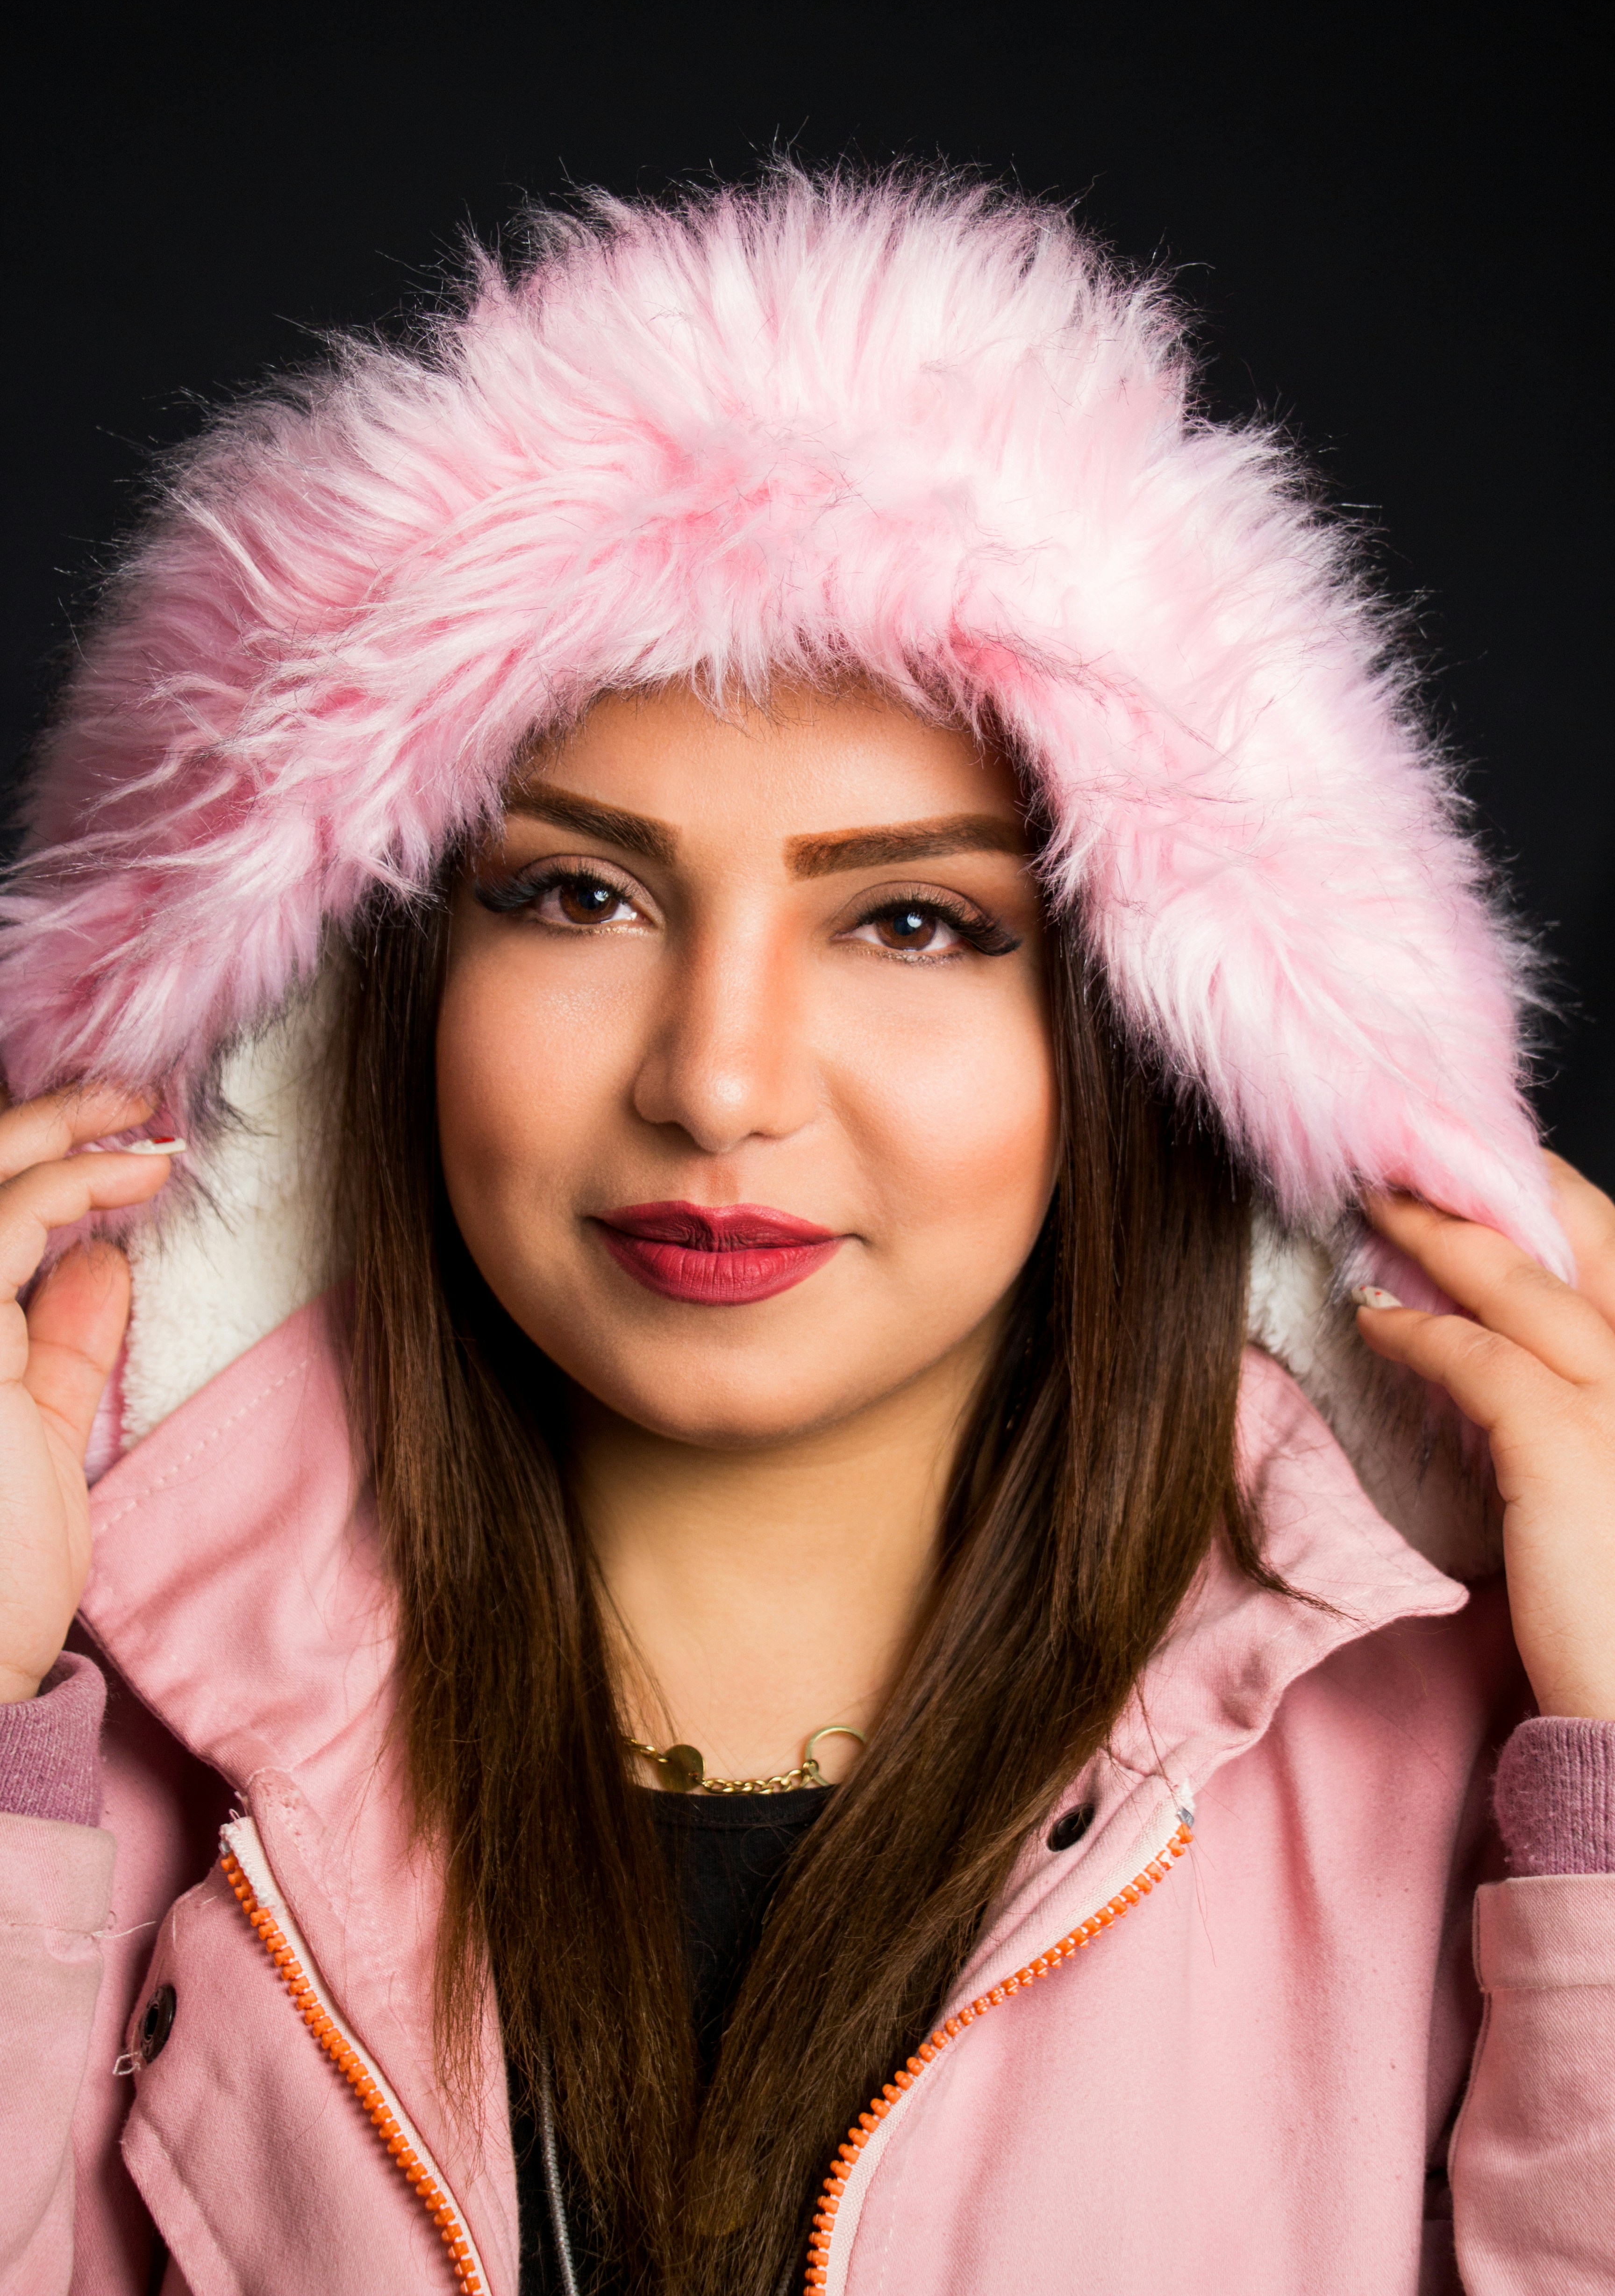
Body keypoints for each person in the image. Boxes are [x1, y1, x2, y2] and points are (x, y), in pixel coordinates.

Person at [0, 170, 1610, 2296]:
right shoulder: (82, 1723)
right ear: (370, 1000)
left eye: (916, 923)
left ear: (1132, 1031)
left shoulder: (1480, 1756)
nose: (722, 1081)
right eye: (577, 895)